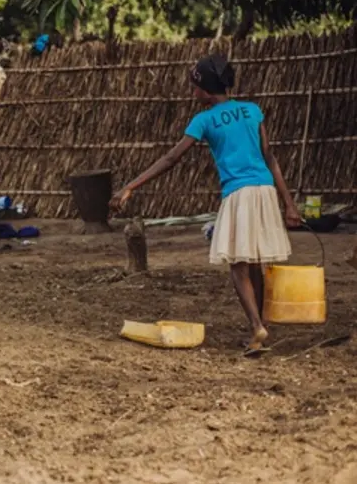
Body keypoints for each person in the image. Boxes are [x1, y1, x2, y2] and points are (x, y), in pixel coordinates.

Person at [109, 54, 301, 353]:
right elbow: (270, 158)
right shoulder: (252, 111)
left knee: (238, 266)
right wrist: (289, 204)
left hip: (239, 193)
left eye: (194, 88)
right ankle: (262, 326)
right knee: (255, 263)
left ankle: (257, 327)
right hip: (265, 190)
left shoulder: (204, 119)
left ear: (207, 91)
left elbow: (171, 158)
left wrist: (130, 187)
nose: (192, 93)